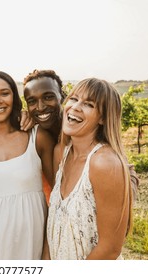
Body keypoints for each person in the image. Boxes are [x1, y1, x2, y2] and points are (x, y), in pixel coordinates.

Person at [0, 71, 54, 259]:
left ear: (14, 97)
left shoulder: (36, 137)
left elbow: (57, 194)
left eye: (4, 93)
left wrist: (48, 246)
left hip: (33, 232)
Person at [46, 78, 133, 259]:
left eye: (89, 104)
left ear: (103, 118)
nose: (75, 107)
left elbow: (110, 249)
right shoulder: (62, 153)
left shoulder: (104, 163)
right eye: (74, 99)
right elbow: (53, 226)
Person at [23, 69, 139, 201]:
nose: (40, 107)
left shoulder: (84, 131)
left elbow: (119, 165)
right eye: (31, 101)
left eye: (48, 97)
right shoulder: (37, 135)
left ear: (63, 96)